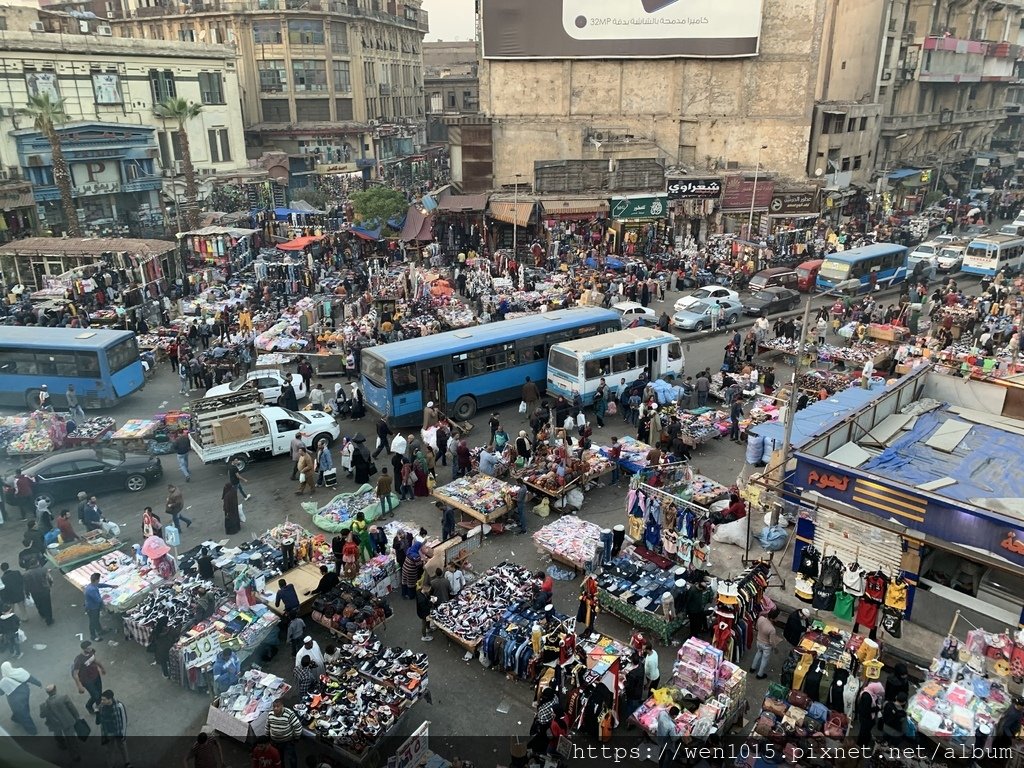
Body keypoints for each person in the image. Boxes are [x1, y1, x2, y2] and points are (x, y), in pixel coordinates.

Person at [39, 683, 82, 761]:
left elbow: (42, 715)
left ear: (47, 693)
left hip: (55, 724)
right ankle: (75, 755)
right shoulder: (63, 697)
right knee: (71, 739)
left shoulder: (44, 704)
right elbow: (72, 708)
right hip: (67, 722)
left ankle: (61, 744)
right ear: (55, 689)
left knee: (57, 734)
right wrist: (77, 717)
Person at [1, 661, 42, 735]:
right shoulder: (19, 671)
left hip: (14, 700)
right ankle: (16, 718)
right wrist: (39, 684)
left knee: (23, 714)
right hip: (25, 692)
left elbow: (1, 693)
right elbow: (30, 678)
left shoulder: (3, 682)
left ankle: (32, 731)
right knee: (23, 707)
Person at [96, 690, 130, 768]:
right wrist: (97, 712)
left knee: (122, 747)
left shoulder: (119, 706)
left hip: (118, 731)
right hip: (108, 732)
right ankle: (111, 765)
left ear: (110, 699)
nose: (102, 701)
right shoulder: (101, 707)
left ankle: (127, 763)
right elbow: (98, 722)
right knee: (109, 750)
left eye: (104, 699)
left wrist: (123, 733)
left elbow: (124, 720)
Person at [72, 640, 106, 715]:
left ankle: (99, 707)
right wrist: (79, 686)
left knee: (99, 693)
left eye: (90, 647)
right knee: (95, 695)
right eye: (88, 648)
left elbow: (95, 660)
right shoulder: (79, 659)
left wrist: (102, 668)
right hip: (87, 680)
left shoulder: (92, 652)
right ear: (83, 649)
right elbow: (75, 673)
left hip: (96, 675)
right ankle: (89, 706)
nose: (90, 649)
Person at [266, 699, 302, 768]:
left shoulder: (289, 714)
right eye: (274, 707)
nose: (275, 708)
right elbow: (267, 726)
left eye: (277, 706)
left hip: (288, 741)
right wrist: (267, 737)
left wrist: (296, 738)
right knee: (279, 757)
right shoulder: (270, 714)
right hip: (275, 742)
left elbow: (298, 727)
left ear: (282, 706)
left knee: (291, 757)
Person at [750, 607, 779, 679]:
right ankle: (760, 674)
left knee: (758, 653)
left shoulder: (761, 619)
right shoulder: (772, 629)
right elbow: (772, 641)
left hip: (759, 641)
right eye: (776, 617)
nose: (777, 619)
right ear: (772, 619)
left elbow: (756, 628)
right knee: (764, 660)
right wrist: (775, 648)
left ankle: (752, 668)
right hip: (766, 645)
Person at [23, 556, 54, 626]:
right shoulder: (44, 570)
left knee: (38, 603)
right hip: (45, 590)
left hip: (34, 592)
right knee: (47, 605)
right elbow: (49, 579)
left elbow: (26, 585)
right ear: (37, 562)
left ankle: (42, 614)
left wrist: (27, 593)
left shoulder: (26, 574)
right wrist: (50, 585)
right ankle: (49, 619)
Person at [856, 681, 885, 747]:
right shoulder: (867, 697)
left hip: (865, 717)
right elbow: (866, 710)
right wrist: (877, 708)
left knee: (864, 731)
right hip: (866, 718)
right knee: (864, 732)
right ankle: (862, 745)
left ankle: (862, 743)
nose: (878, 693)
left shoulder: (869, 692)